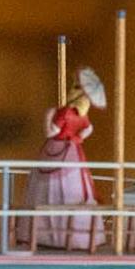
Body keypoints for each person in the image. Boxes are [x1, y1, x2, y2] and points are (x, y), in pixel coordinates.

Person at [20, 67, 107, 251]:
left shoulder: (65, 112)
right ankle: (76, 236)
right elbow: (87, 130)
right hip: (73, 152)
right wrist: (77, 137)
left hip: (57, 148)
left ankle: (44, 234)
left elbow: (51, 131)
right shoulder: (82, 116)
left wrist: (49, 115)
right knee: (76, 186)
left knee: (45, 188)